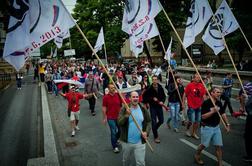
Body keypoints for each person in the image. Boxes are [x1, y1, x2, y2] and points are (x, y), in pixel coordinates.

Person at [194, 87, 230, 166]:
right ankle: (197, 155)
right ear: (212, 93)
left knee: (218, 146)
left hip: (216, 128)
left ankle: (220, 163)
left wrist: (227, 124)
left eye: (219, 92)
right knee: (203, 145)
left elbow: (223, 114)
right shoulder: (206, 103)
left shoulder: (219, 102)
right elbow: (203, 117)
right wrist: (213, 111)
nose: (219, 94)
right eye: (217, 92)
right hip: (207, 127)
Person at [118, 91, 151, 166]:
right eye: (133, 97)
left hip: (140, 141)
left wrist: (146, 132)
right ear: (130, 98)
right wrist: (126, 115)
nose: (135, 99)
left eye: (137, 97)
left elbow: (149, 121)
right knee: (126, 161)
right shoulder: (124, 108)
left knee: (141, 163)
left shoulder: (143, 108)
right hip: (126, 142)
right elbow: (119, 122)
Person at [183, 73, 207, 139]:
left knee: (197, 121)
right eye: (197, 77)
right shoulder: (189, 85)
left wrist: (207, 103)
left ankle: (194, 133)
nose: (198, 78)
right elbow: (185, 94)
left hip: (199, 106)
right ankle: (187, 129)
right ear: (193, 78)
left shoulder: (201, 86)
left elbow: (204, 96)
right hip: (191, 106)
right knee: (192, 120)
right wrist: (183, 103)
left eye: (199, 77)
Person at [143, 75, 166, 143]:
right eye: (153, 79)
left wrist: (162, 101)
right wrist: (152, 99)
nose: (155, 81)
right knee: (154, 121)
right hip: (153, 107)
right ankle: (156, 136)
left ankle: (154, 129)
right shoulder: (149, 88)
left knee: (161, 121)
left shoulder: (160, 87)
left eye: (156, 79)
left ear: (157, 80)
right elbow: (144, 98)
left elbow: (164, 96)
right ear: (152, 80)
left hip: (159, 106)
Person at [102, 83, 123, 153]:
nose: (113, 89)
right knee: (113, 132)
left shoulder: (118, 95)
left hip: (118, 117)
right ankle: (115, 146)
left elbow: (121, 105)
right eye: (111, 88)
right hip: (110, 117)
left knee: (120, 131)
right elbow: (104, 107)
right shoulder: (106, 97)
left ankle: (116, 139)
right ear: (108, 89)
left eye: (114, 87)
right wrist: (105, 117)